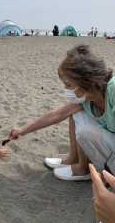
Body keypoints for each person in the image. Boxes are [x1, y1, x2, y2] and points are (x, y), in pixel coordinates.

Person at [8, 44, 115, 181]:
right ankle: (75, 160)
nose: (66, 90)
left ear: (86, 81)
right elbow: (57, 115)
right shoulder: (87, 99)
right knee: (77, 114)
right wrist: (22, 130)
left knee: (84, 130)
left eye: (69, 85)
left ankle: (88, 170)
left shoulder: (112, 90)